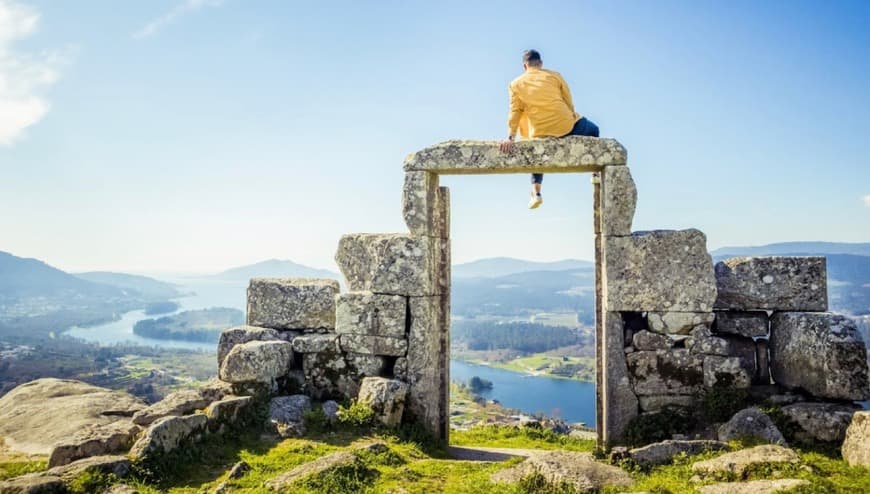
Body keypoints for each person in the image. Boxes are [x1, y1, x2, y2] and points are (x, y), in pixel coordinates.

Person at [499, 49, 600, 209]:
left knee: (537, 151)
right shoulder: (554, 75)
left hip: (540, 131)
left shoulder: (515, 84)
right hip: (566, 126)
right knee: (594, 129)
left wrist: (510, 137)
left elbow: (515, 111)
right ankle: (595, 174)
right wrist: (571, 117)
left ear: (525, 66)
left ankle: (536, 192)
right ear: (540, 64)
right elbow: (568, 100)